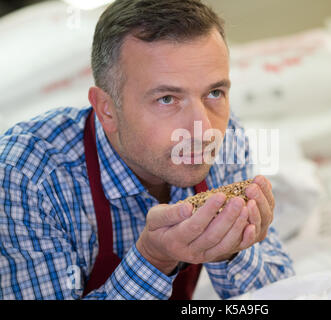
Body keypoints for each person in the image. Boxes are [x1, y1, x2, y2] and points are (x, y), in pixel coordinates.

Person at [0, 0, 294, 300]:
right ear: (107, 110)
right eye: (167, 99)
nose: (204, 130)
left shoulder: (226, 136)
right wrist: (154, 259)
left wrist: (231, 250)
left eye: (214, 93)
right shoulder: (25, 178)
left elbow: (280, 294)